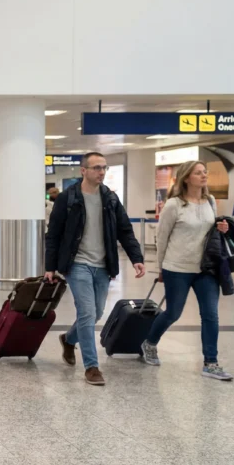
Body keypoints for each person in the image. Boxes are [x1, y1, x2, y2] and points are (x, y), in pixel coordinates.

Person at [46, 152, 146, 386]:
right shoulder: (68, 198)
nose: (102, 172)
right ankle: (91, 366)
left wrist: (136, 258)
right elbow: (54, 235)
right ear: (83, 171)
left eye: (104, 168)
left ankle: (69, 340)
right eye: (97, 168)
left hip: (103, 264)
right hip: (76, 263)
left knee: (97, 312)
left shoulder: (110, 198)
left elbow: (125, 230)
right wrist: (50, 266)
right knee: (87, 313)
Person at [141, 161, 233, 380]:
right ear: (186, 178)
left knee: (210, 315)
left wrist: (222, 228)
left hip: (206, 268)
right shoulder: (174, 205)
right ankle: (150, 343)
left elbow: (211, 231)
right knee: (173, 312)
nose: (204, 176)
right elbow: (161, 238)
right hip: (177, 267)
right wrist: (160, 268)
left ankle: (211, 362)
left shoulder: (210, 201)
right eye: (198, 173)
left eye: (205, 172)